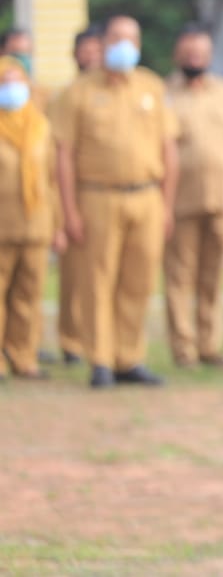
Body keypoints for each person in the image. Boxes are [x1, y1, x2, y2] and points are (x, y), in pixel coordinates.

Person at [53, 14, 178, 389]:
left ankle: (129, 357)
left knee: (138, 282)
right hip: (97, 198)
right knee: (98, 280)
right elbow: (63, 156)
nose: (124, 45)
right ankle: (101, 360)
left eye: (131, 39)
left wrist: (167, 205)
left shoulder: (152, 87)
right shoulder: (76, 92)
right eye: (117, 37)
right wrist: (69, 211)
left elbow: (168, 148)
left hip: (146, 197)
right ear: (104, 41)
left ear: (138, 46)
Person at [163, 23, 223, 368]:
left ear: (209, 56)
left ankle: (210, 346)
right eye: (188, 53)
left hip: (222, 201)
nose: (194, 58)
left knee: (213, 278)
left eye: (200, 53)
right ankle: (184, 350)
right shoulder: (163, 94)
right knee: (179, 279)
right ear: (177, 55)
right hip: (181, 202)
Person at [0, 56, 62, 380]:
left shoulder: (40, 125)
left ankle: (23, 355)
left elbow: (51, 180)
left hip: (36, 225)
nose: (11, 87)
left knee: (29, 294)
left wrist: (58, 225)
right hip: (3, 226)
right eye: (4, 80)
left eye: (16, 79)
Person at [53, 25, 103, 365]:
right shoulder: (66, 96)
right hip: (75, 195)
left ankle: (96, 342)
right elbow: (59, 155)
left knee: (100, 276)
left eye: (94, 49)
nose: (90, 55)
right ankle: (71, 342)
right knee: (73, 275)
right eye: (84, 49)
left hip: (105, 197)